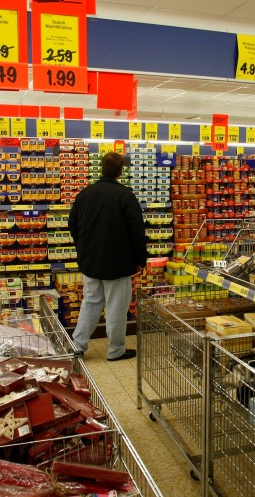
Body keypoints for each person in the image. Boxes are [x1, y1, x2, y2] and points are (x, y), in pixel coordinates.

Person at [68, 152, 147, 361]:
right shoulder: (125, 195)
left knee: (90, 303)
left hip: (91, 261)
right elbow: (136, 231)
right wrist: (141, 259)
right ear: (120, 171)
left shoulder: (84, 194)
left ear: (101, 168)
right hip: (118, 263)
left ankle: (77, 345)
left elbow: (73, 226)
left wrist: (84, 247)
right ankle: (115, 350)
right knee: (117, 308)